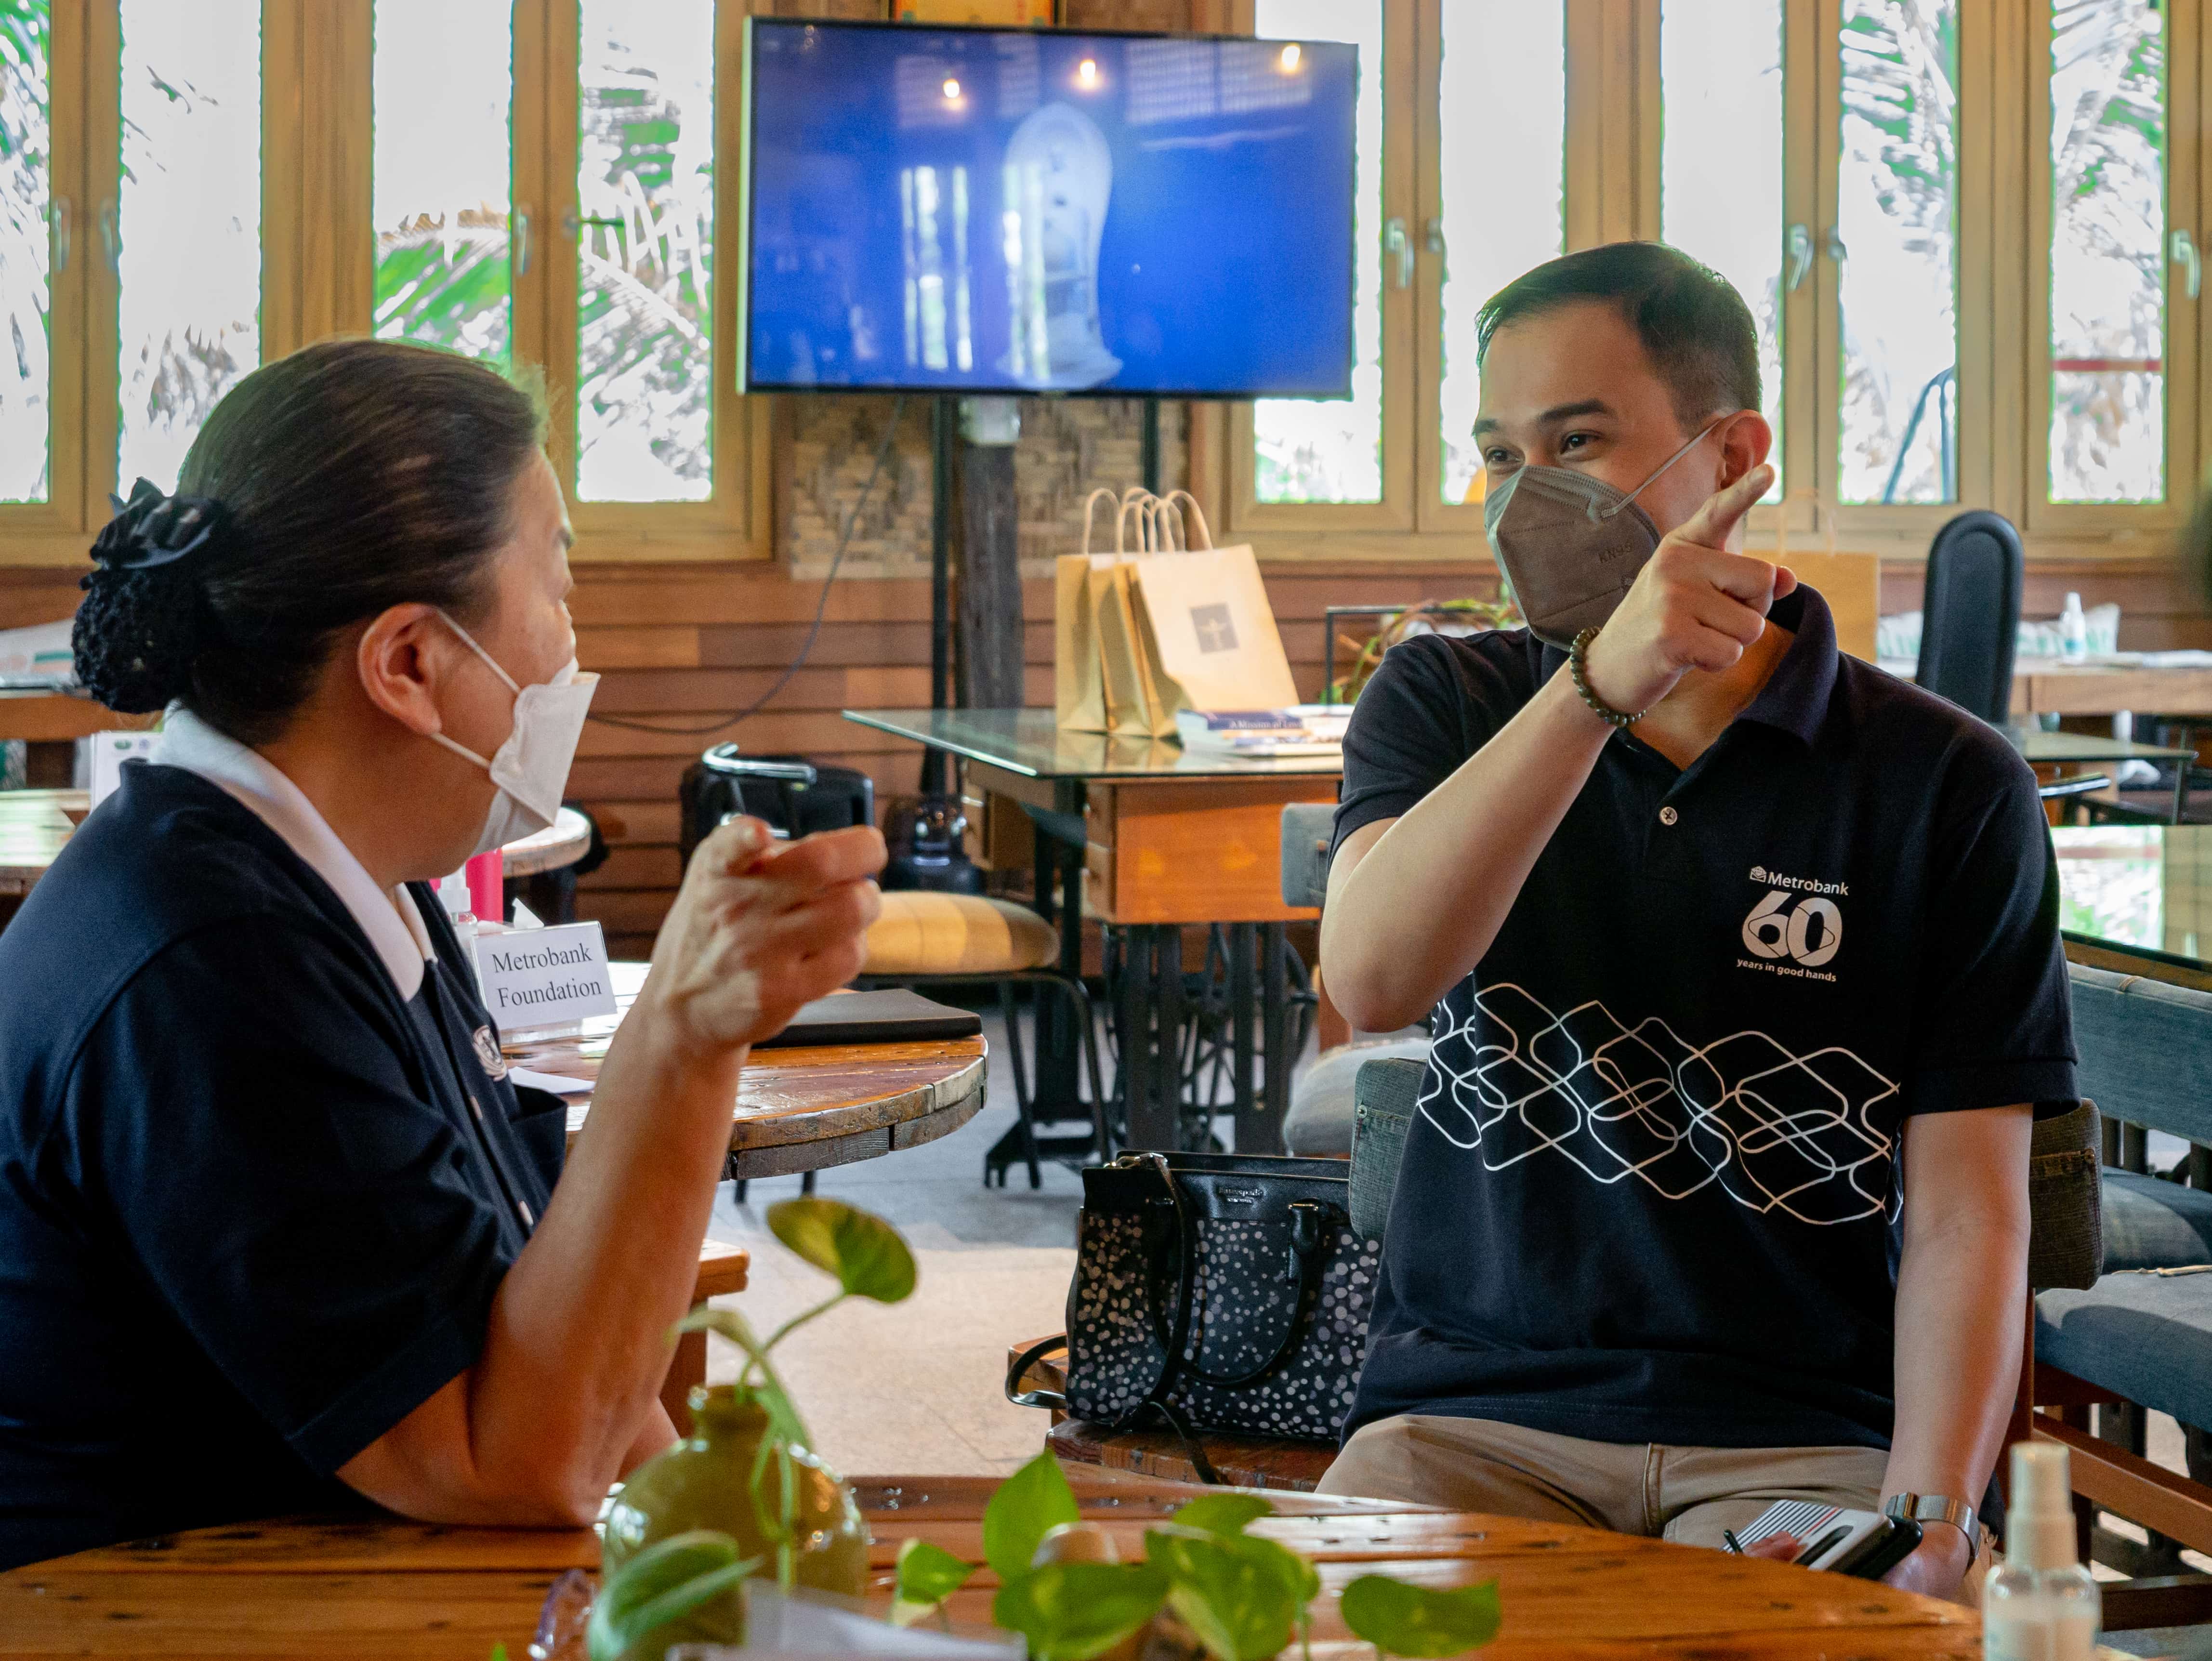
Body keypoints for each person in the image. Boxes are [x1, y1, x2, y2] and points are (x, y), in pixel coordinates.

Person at [0, 340, 885, 1570]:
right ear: (410, 661)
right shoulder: (209, 961)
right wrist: (685, 1026)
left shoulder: (357, 887)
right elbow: (517, 1459)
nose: (573, 645)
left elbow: (548, 1333)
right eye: (558, 584)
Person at [1315, 242, 2073, 1604]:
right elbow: (1374, 979)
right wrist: (1599, 685)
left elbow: (1970, 1215)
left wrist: (1934, 1523)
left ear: (1732, 457)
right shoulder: (1445, 702)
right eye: (1498, 453)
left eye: (1579, 441)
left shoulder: (1946, 786)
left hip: (1803, 1447)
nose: (1523, 495)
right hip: (1469, 1427)